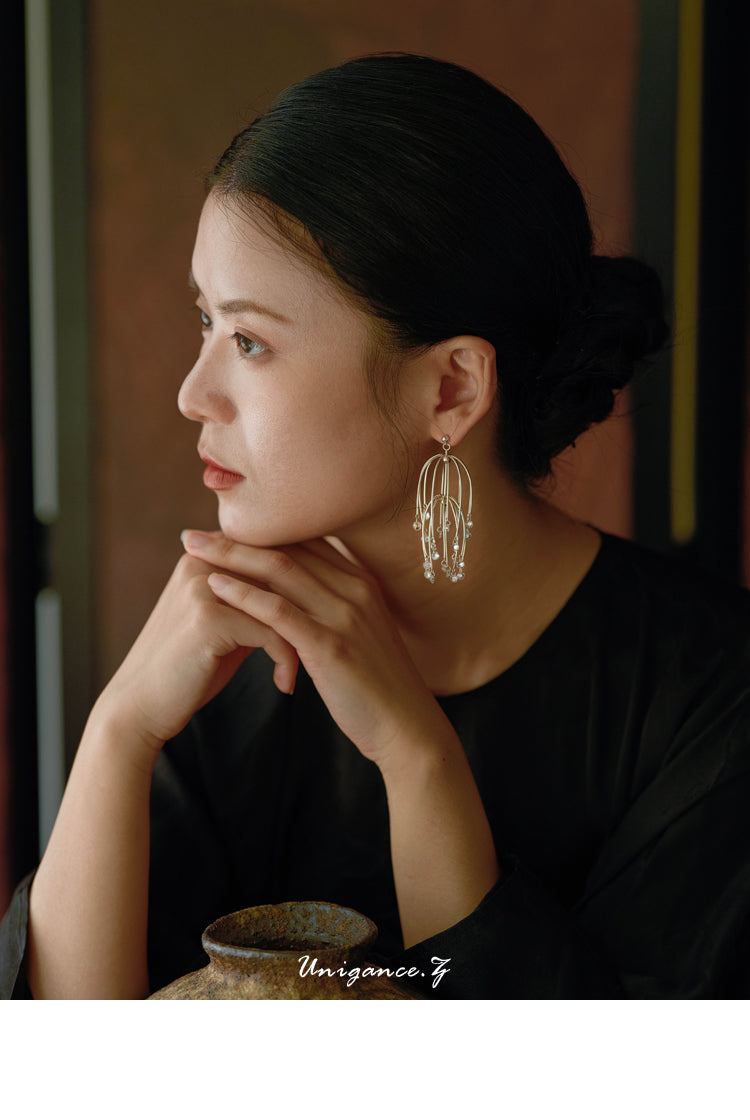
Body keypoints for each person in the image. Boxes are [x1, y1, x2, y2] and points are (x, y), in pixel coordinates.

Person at [2, 52, 750, 1000]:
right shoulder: (223, 656)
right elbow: (68, 1084)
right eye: (204, 321)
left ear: (451, 388)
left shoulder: (712, 699)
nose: (193, 394)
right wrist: (119, 728)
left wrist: (417, 757)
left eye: (249, 341)